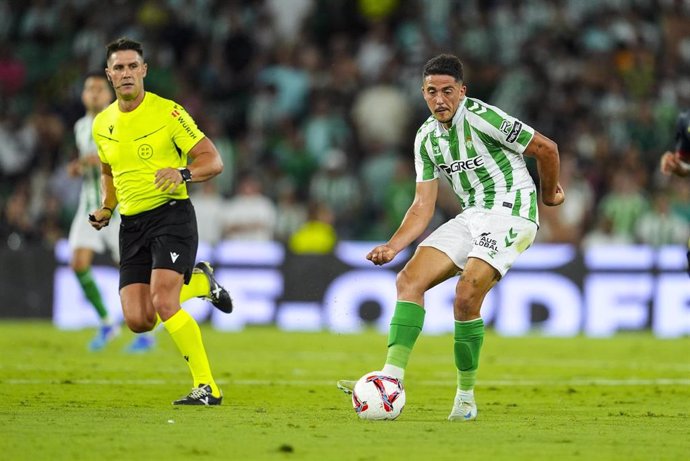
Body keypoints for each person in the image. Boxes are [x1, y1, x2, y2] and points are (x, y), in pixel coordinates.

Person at [337, 54, 564, 421]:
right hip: (472, 214)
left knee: (465, 295)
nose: (439, 99)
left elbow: (546, 149)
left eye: (447, 91)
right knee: (408, 279)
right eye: (431, 92)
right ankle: (391, 380)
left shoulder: (482, 117)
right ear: (422, 93)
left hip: (512, 211)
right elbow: (422, 205)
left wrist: (549, 193)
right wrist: (394, 245)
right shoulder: (426, 138)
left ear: (462, 91)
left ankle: (465, 397)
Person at [89, 37, 233, 405]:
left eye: (132, 66)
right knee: (139, 319)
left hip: (171, 216)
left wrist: (183, 173)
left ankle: (207, 387)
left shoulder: (168, 112)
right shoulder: (102, 123)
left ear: (144, 70)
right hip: (131, 225)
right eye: (118, 67)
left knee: (165, 301)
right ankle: (199, 283)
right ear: (109, 75)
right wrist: (107, 207)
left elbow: (212, 161)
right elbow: (109, 171)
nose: (125, 73)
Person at [67, 71, 155, 352]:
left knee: (131, 270)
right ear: (83, 95)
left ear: (108, 95)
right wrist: (79, 166)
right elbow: (87, 163)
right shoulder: (81, 126)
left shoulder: (117, 122)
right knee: (78, 264)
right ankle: (108, 323)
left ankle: (147, 330)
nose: (93, 93)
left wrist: (102, 163)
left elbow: (129, 160)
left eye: (98, 89)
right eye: (88, 88)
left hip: (116, 209)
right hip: (88, 206)